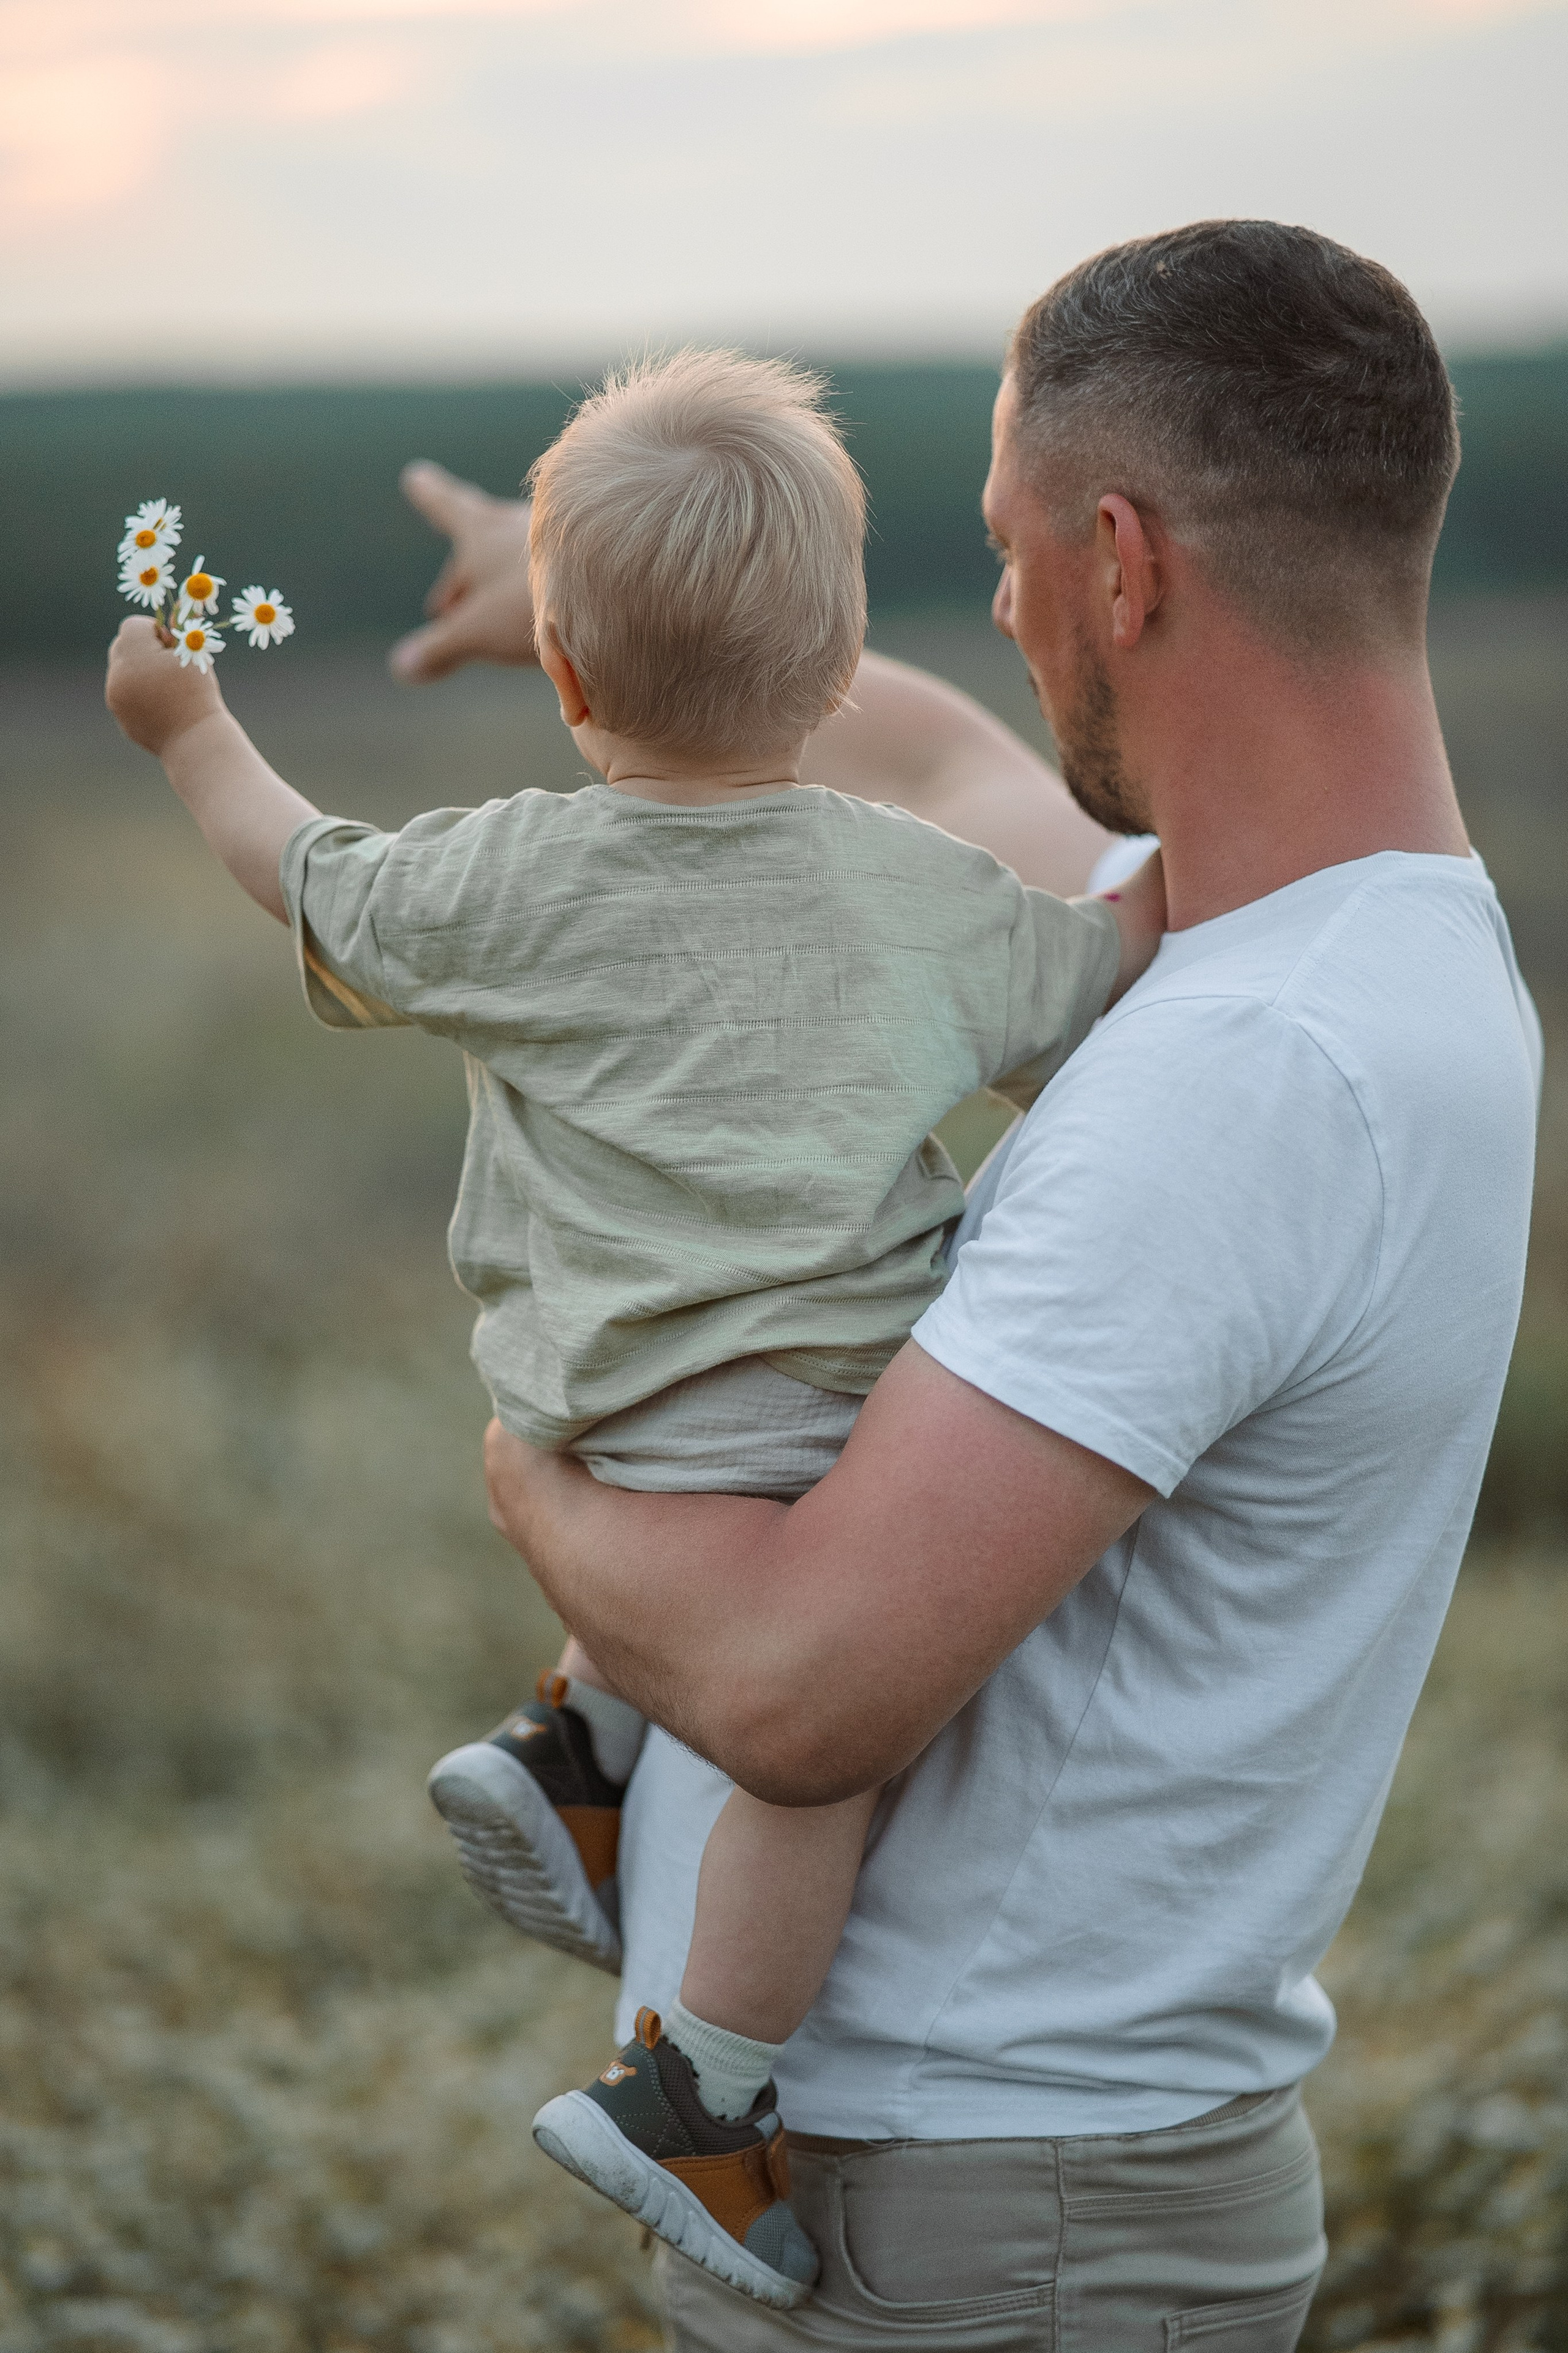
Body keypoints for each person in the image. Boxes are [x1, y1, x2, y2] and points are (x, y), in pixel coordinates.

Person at [463, 222, 1543, 2349]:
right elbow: (960, 771)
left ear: (1122, 566)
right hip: (999, 2193)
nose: (1009, 611)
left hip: (982, 2225)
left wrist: (523, 1444)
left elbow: (804, 1690)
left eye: (1009, 551)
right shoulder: (1324, 943)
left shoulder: (1249, 1073)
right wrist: (620, 592)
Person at [101, 347, 1163, 2313]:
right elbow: (1107, 967)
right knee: (817, 1747)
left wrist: (188, 725)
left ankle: (580, 1731)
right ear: (841, 668)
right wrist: (1198, 835)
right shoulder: (914, 891)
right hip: (813, 1422)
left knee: (694, 1555)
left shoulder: (514, 869)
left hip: (587, 1401)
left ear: (564, 676)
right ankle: (700, 2085)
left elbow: (305, 873)